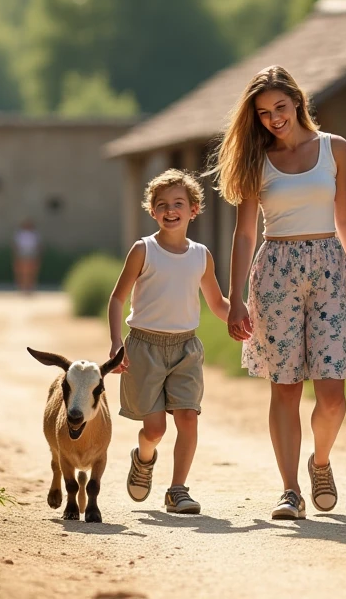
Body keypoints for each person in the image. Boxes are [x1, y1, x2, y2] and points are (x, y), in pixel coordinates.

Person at [213, 66, 346, 520]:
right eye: (263, 113)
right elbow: (243, 234)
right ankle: (290, 489)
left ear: (297, 101)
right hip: (274, 271)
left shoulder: (335, 148)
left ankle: (320, 463)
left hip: (330, 269)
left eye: (280, 107)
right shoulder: (257, 160)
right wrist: (235, 298)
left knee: (332, 396)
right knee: (286, 389)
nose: (274, 118)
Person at [108, 169, 230, 514]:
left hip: (186, 348)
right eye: (162, 205)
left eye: (179, 203)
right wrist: (117, 344)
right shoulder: (142, 250)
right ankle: (144, 458)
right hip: (143, 348)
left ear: (194, 209)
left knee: (188, 417)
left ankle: (178, 490)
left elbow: (218, 304)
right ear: (152, 211)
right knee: (155, 429)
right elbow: (118, 299)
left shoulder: (201, 255)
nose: (170, 210)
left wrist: (244, 317)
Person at [13, 219, 41, 294]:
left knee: (32, 272)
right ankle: (22, 287)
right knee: (22, 272)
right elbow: (16, 245)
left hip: (32, 254)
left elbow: (38, 245)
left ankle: (30, 287)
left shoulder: (34, 234)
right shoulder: (20, 233)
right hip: (22, 254)